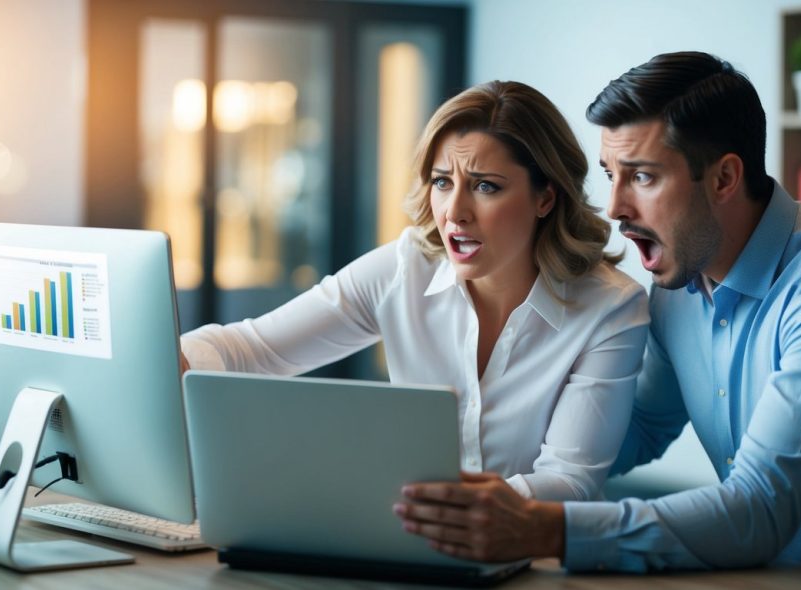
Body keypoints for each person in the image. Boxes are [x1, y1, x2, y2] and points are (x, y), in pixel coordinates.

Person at [395, 52, 801, 586]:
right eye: (610, 175)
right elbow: (633, 428)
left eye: (642, 177)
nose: (615, 207)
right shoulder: (681, 288)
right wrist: (447, 481)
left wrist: (543, 527)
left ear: (724, 178)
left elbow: (758, 509)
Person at [180, 80, 649, 502]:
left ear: (545, 197)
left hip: (533, 556)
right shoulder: (405, 268)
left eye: (486, 186)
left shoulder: (609, 308)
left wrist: (439, 510)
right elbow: (252, 350)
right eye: (443, 183)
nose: (454, 213)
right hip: (403, 533)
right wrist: (154, 365)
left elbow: (568, 481)